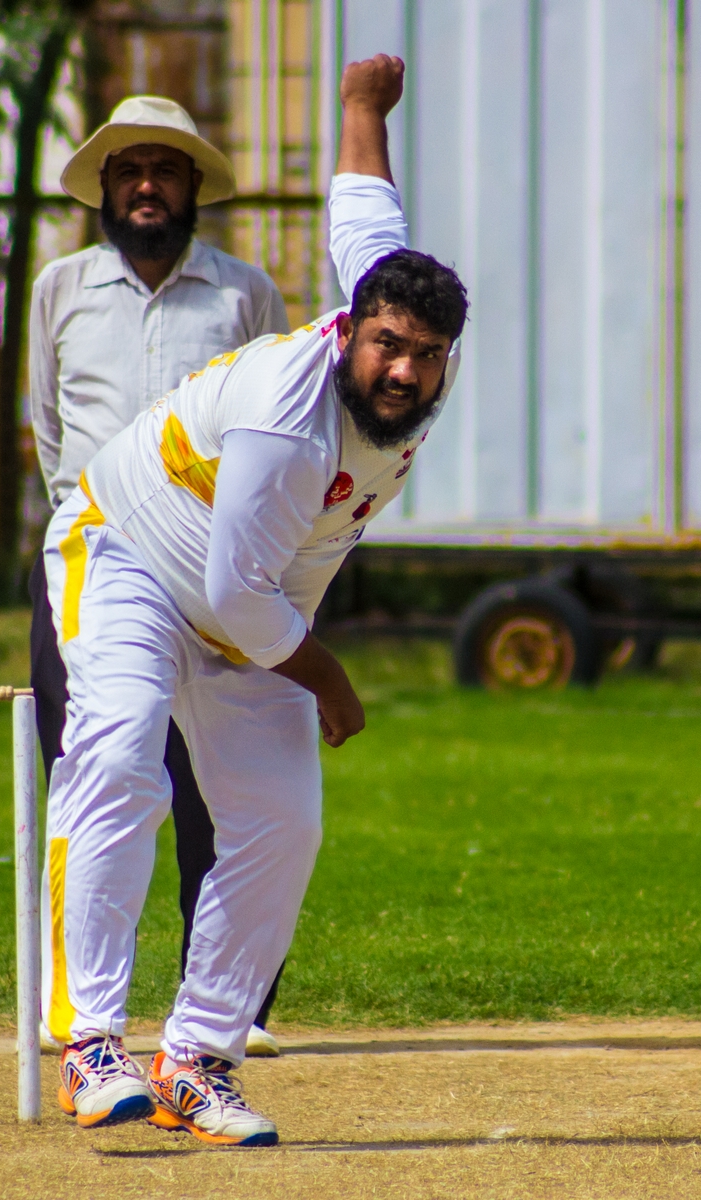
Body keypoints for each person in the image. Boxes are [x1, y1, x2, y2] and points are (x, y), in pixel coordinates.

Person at [43, 53, 468, 1147]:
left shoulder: (407, 331)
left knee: (282, 820)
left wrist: (362, 108)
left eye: (425, 357)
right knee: (122, 754)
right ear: (351, 332)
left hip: (250, 603)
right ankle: (90, 1041)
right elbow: (236, 590)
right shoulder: (292, 417)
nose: (403, 373)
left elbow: (365, 212)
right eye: (386, 346)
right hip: (131, 552)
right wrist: (327, 676)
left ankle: (195, 1058)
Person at [28, 95, 292, 1057]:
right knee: (97, 765)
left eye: (166, 170)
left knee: (221, 784)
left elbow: (275, 420)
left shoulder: (242, 293)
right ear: (105, 188)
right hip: (92, 552)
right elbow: (47, 424)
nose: (148, 186)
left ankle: (227, 1008)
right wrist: (83, 515)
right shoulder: (61, 287)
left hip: (211, 559)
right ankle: (86, 1010)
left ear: (193, 189)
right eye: (130, 170)